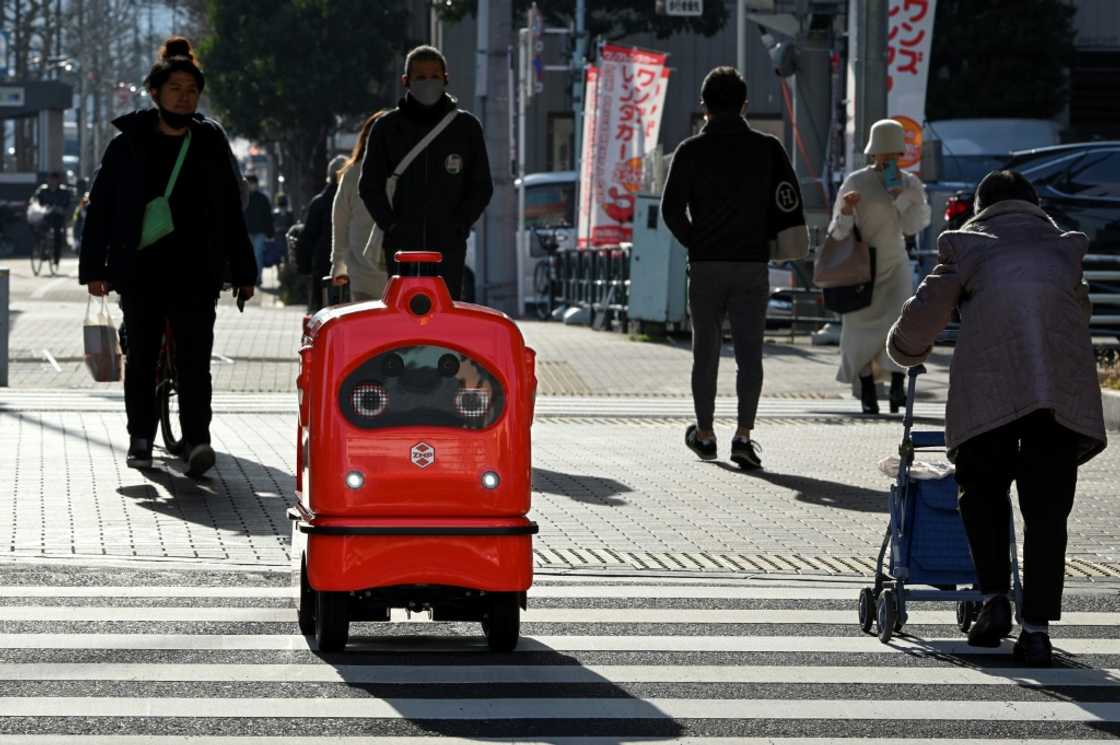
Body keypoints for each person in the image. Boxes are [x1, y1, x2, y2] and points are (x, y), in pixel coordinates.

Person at [887, 170, 1106, 666]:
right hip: (1059, 398)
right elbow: (1080, 314)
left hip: (991, 392)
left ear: (982, 206)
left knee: (980, 490)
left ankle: (993, 601)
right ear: (1032, 205)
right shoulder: (1062, 250)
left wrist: (904, 350)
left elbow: (926, 313)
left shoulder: (970, 245)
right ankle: (1036, 630)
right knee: (1048, 512)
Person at [78, 36, 256, 477]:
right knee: (141, 357)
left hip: (197, 271)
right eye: (175, 88)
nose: (184, 97)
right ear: (154, 93)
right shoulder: (127, 144)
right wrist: (93, 269)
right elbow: (101, 208)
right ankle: (141, 438)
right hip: (141, 272)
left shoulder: (210, 140)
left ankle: (197, 439)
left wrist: (244, 269)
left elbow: (230, 210)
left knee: (196, 360)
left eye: (192, 90)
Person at [660, 66, 808, 471]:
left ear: (703, 106)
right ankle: (743, 435)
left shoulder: (690, 151)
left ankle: (705, 433)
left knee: (704, 352)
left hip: (706, 264)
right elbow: (787, 199)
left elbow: (669, 210)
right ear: (745, 104)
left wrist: (696, 240)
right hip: (751, 263)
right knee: (750, 354)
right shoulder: (768, 148)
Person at [358, 45, 493, 300]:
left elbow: (482, 186)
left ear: (446, 78)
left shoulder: (466, 127)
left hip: (448, 246)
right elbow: (369, 186)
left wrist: (460, 224)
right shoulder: (387, 128)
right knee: (403, 312)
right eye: (420, 77)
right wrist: (391, 225)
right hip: (401, 247)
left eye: (434, 76)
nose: (428, 83)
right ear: (405, 81)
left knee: (444, 313)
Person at [828, 119, 930, 415]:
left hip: (895, 265)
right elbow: (838, 231)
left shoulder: (911, 184)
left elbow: (913, 227)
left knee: (897, 326)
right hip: (861, 268)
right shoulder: (856, 181)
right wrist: (847, 210)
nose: (886, 159)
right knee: (857, 330)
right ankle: (867, 390)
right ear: (873, 153)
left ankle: (898, 384)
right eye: (881, 154)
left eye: (892, 154)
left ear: (900, 154)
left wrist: (900, 199)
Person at [331, 111, 390, 302]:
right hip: (399, 272)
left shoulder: (352, 174)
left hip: (363, 272)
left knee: (366, 328)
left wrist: (338, 265)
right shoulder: (412, 174)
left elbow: (340, 222)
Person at [301, 155, 347, 314]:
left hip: (322, 264)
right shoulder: (355, 201)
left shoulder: (319, 202)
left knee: (323, 309)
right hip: (350, 264)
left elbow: (308, 237)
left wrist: (305, 267)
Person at [33, 171, 74, 266]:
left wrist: (61, 209)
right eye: (50, 179)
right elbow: (35, 199)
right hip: (45, 216)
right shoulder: (43, 190)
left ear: (58, 181)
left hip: (57, 217)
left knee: (57, 235)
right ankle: (42, 250)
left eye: (54, 180)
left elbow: (67, 204)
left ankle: (56, 257)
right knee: (39, 229)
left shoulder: (63, 191)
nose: (51, 182)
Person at [244, 174, 274, 286]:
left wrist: (270, 232)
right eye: (249, 183)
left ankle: (257, 277)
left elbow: (268, 217)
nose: (251, 186)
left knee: (257, 254)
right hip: (248, 231)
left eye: (252, 183)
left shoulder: (262, 199)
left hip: (259, 232)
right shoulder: (243, 198)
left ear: (256, 184)